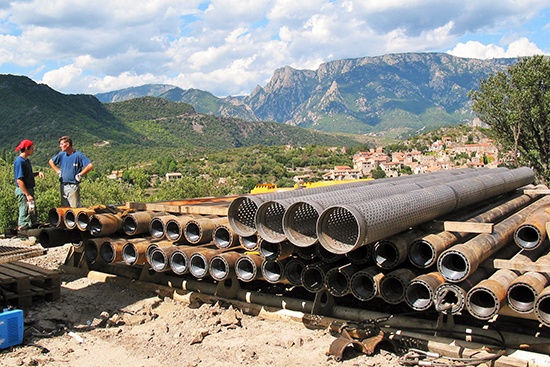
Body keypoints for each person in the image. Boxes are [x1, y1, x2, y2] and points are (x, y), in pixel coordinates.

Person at [48, 136, 93, 208]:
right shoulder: (61, 154)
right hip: (63, 185)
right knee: (65, 208)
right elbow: (51, 162)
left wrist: (80, 175)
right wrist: (57, 171)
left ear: (68, 144)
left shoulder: (78, 155)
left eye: (62, 144)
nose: (60, 146)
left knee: (74, 209)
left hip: (73, 186)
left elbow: (90, 166)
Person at [14, 139, 45, 231]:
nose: (33, 151)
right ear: (26, 149)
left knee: (31, 212)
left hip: (28, 189)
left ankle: (31, 232)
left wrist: (37, 173)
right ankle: (23, 234)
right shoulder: (20, 162)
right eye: (32, 149)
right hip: (24, 190)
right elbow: (19, 180)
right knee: (24, 211)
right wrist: (27, 194)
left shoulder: (26, 160)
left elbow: (27, 175)